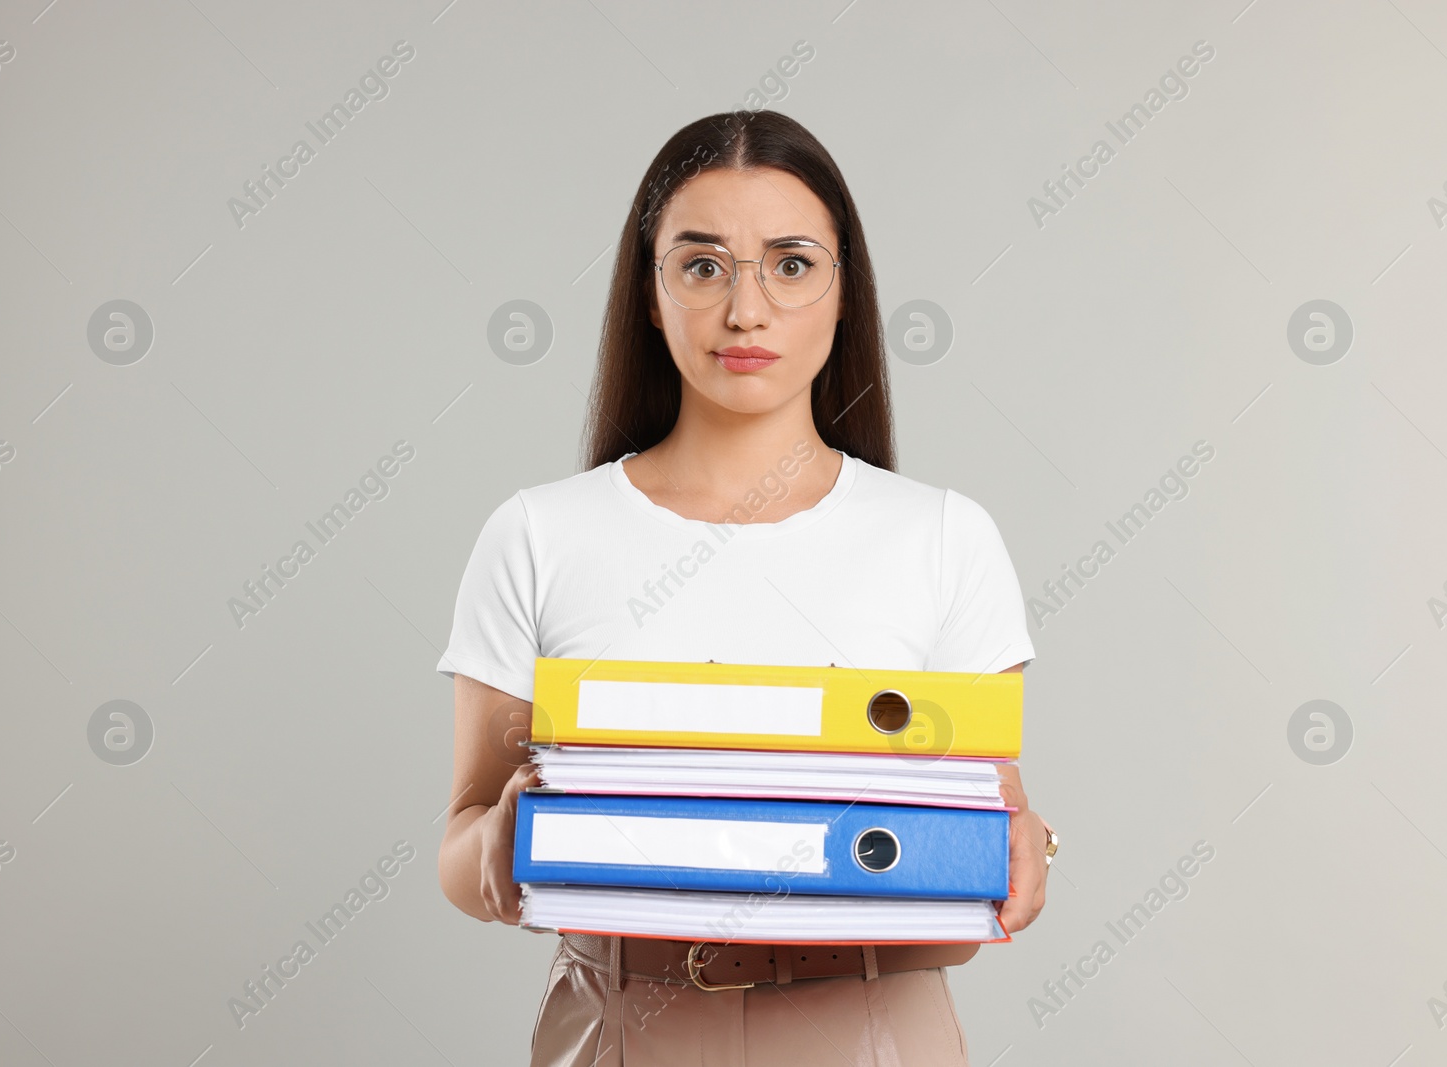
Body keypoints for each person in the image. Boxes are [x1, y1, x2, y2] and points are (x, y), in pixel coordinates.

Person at [436, 109, 1054, 1066]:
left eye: (793, 263)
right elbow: (463, 839)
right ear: (650, 292)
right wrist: (506, 844)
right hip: (622, 1018)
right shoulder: (539, 532)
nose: (746, 310)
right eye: (702, 264)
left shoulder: (943, 536)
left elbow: (992, 817)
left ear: (846, 292)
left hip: (874, 1021)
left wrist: (1021, 850)